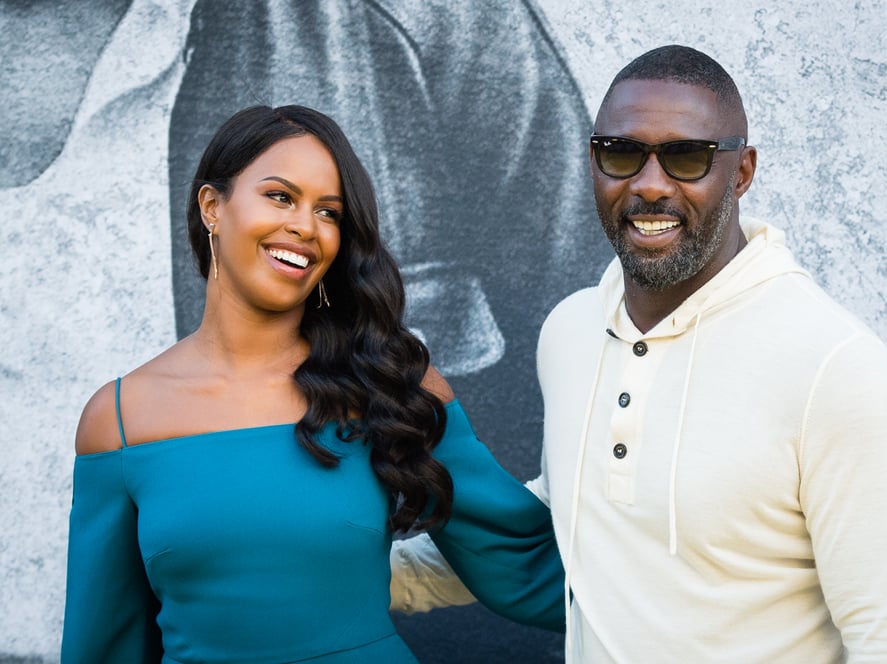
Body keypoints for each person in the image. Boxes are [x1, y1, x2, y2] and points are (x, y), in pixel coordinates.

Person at [392, 45, 887, 662]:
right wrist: (369, 571)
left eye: (686, 157)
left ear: (743, 171)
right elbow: (580, 519)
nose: (650, 185)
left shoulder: (833, 364)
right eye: (621, 153)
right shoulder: (570, 332)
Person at [61, 105, 563, 663]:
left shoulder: (388, 382)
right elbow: (103, 644)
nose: (305, 226)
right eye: (280, 196)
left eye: (329, 212)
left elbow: (525, 561)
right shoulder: (120, 418)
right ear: (212, 207)